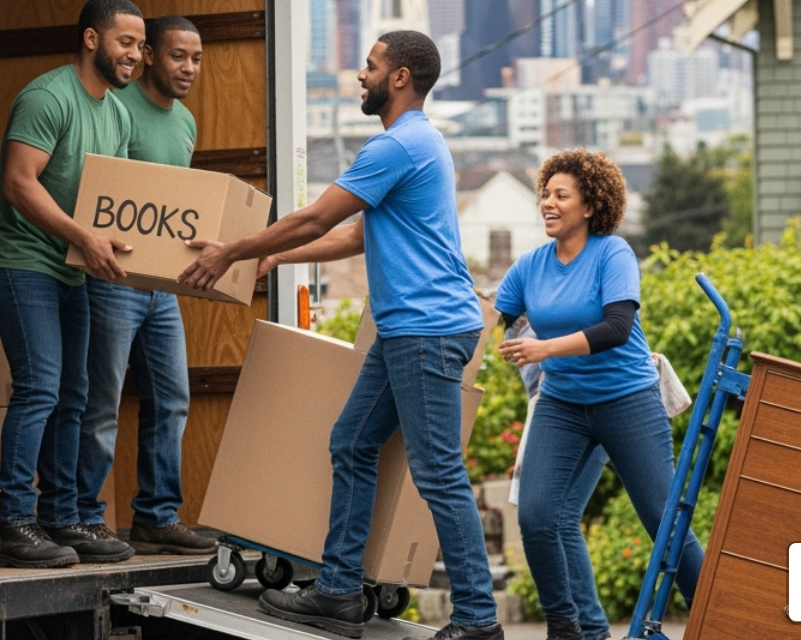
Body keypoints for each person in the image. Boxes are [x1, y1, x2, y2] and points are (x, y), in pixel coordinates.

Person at [180, 31, 501, 640]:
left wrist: (236, 250)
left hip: (426, 330)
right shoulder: (416, 144)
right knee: (352, 443)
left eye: (372, 66)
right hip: (409, 331)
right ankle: (337, 593)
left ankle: (480, 620)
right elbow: (356, 237)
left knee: (437, 474)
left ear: (400, 77)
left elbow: (317, 216)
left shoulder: (398, 146)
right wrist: (276, 260)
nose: (361, 74)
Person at [496, 149, 704, 640]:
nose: (548, 203)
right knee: (537, 514)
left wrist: (544, 347)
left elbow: (616, 326)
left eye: (560, 195)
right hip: (562, 404)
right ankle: (567, 629)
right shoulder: (531, 266)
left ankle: (714, 617)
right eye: (545, 194)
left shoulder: (612, 253)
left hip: (626, 399)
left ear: (589, 206)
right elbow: (501, 315)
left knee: (663, 522)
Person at [0, 0, 142, 568]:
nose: (136, 55)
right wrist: (82, 238)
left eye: (140, 46)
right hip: (20, 259)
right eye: (126, 42)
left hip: (70, 265)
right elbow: (21, 184)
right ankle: (13, 524)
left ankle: (62, 515)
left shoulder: (118, 113)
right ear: (92, 40)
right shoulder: (48, 98)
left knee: (76, 394)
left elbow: (111, 201)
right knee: (42, 388)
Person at [76, 16, 217, 556]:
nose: (189, 68)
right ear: (152, 57)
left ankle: (157, 516)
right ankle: (87, 515)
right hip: (114, 280)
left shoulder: (185, 122)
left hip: (162, 287)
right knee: (102, 402)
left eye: (197, 58)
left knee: (172, 399)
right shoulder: (118, 108)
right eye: (179, 56)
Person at [505, 316, 613, 640]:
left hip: (582, 409)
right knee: (556, 519)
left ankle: (591, 629)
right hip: (557, 411)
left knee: (560, 520)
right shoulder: (532, 320)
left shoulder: (555, 310)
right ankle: (588, 628)